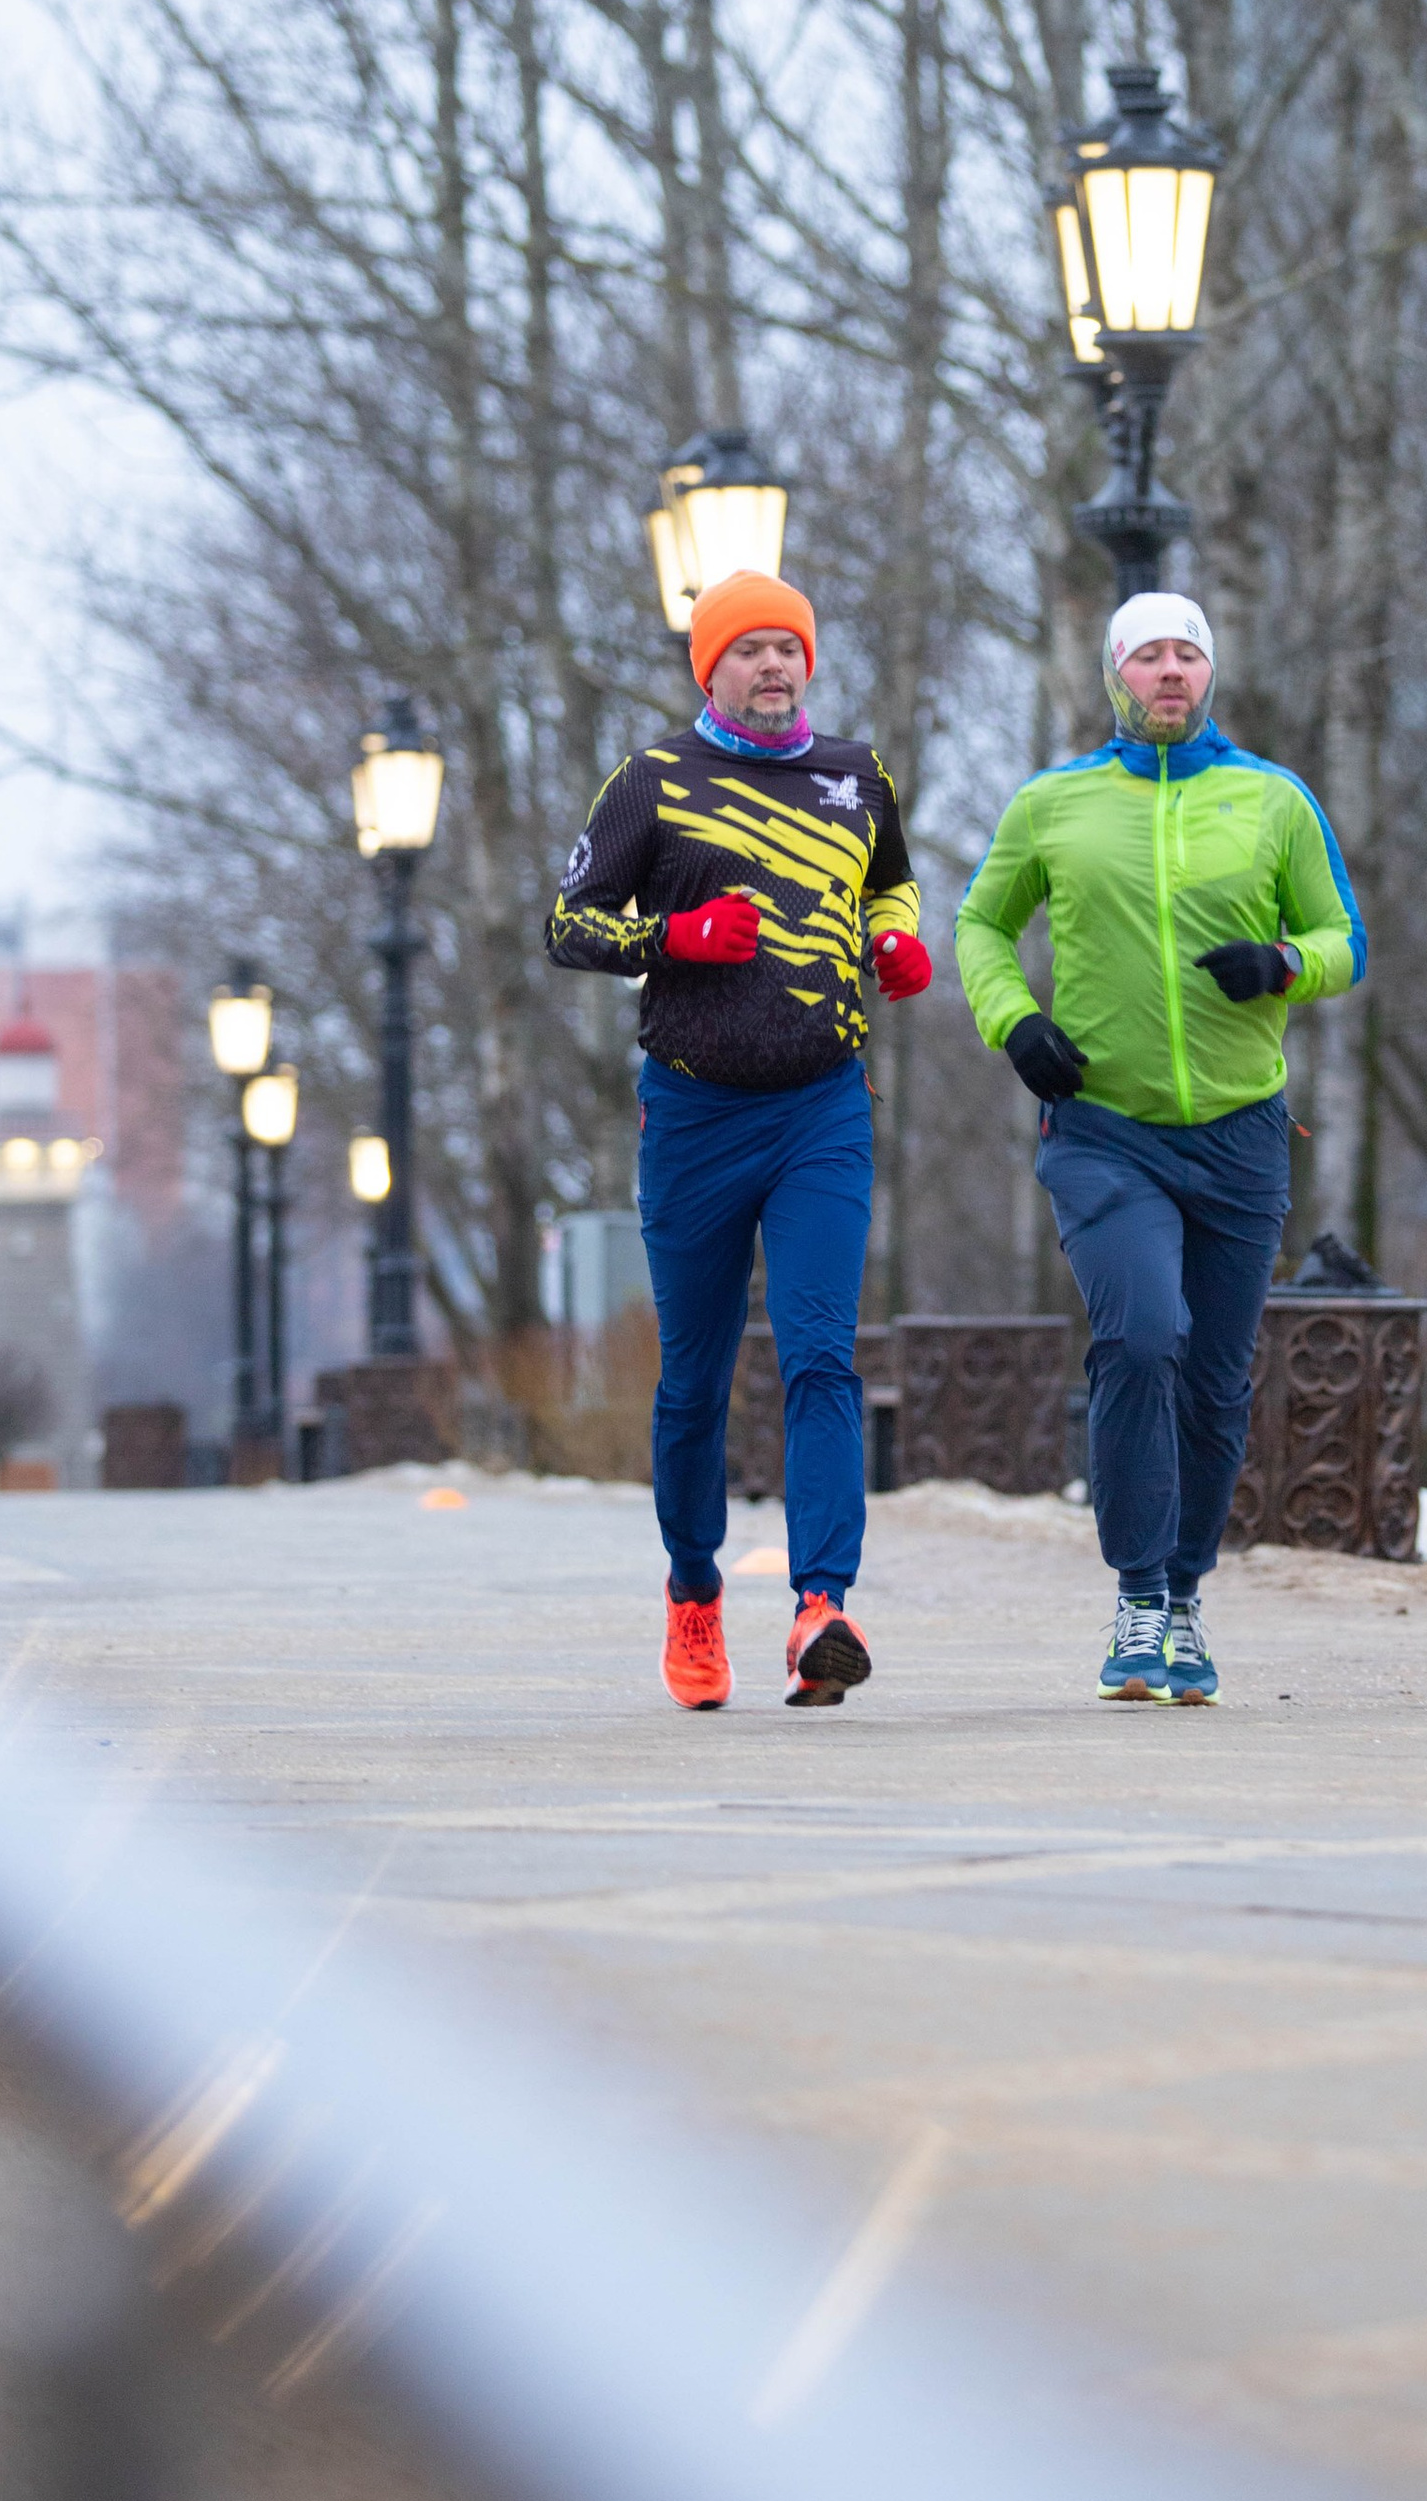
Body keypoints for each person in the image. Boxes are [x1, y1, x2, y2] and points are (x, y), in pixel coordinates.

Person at [956, 591, 1365, 1702]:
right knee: (1142, 1336)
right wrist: (1015, 1023)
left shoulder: (1272, 801)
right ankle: (1137, 1594)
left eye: (1188, 653)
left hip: (1240, 1134)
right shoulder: (1055, 805)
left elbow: (1345, 940)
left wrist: (1283, 963)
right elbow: (979, 924)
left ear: (1211, 673)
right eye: (1148, 656)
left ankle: (1185, 1597)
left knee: (1217, 1378)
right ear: (1113, 678)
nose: (1170, 671)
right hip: (1104, 1131)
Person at [546, 571, 929, 1711]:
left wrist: (899, 942)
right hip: (697, 1114)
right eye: (749, 650)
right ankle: (694, 1597)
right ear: (708, 668)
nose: (773, 666)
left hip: (822, 1106)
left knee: (821, 1354)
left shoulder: (855, 777)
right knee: (693, 1383)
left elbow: (892, 887)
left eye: (788, 649)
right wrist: (677, 937)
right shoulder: (654, 781)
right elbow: (568, 925)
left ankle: (822, 1607)